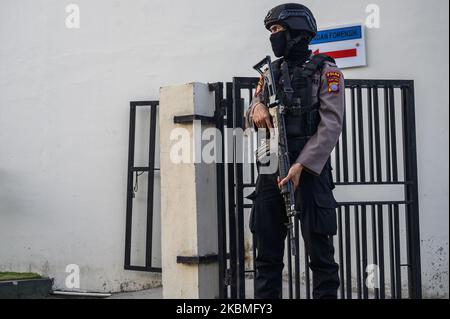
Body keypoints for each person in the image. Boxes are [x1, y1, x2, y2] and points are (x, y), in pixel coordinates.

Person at [245, 3, 345, 299]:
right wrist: (257, 106)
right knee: (266, 255)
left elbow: (331, 124)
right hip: (271, 164)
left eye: (276, 30)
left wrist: (302, 165)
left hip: (310, 170)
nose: (272, 36)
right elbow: (249, 113)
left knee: (321, 257)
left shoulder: (326, 71)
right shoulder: (269, 73)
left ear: (297, 31)